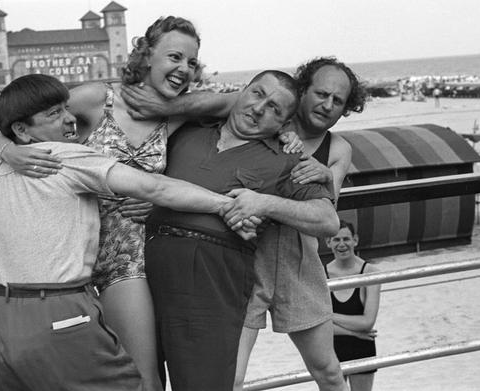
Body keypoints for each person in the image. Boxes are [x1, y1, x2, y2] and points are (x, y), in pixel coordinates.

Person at [0, 17, 299, 391]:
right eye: (174, 56)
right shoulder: (97, 99)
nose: (183, 68)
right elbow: (20, 121)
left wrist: (288, 133)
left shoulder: (179, 114)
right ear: (146, 53)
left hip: (147, 256)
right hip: (94, 258)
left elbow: (247, 102)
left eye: (191, 62)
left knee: (149, 377)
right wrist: (8, 150)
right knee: (138, 379)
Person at [0, 73, 255, 391]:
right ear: (22, 130)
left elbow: (7, 137)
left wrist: (5, 147)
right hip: (52, 312)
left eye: (66, 108)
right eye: (53, 114)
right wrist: (225, 205)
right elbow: (156, 187)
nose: (68, 119)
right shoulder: (65, 156)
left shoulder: (4, 170)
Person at [121, 57, 367, 391]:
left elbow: (327, 215)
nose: (327, 105)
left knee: (325, 367)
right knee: (202, 376)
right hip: (213, 262)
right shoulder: (213, 125)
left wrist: (264, 201)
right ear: (304, 91)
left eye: (337, 101)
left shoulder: (310, 151)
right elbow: (199, 112)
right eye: (321, 94)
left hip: (287, 259)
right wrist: (158, 200)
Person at [325, 220, 381, 391]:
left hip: (361, 349)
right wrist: (353, 332)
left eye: (346, 239)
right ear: (328, 242)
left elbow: (367, 323)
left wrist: (330, 316)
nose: (341, 244)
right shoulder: (321, 275)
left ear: (355, 240)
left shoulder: (370, 273)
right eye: (336, 240)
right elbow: (318, 326)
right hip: (329, 348)